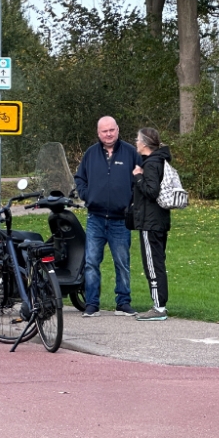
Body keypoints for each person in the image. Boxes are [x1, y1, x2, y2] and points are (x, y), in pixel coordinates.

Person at [74, 116, 141, 317]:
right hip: (95, 218)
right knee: (91, 262)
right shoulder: (91, 154)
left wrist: (131, 201)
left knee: (122, 262)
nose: (109, 134)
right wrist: (88, 196)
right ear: (98, 133)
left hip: (121, 220)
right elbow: (80, 178)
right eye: (104, 131)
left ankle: (123, 302)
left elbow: (140, 179)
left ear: (118, 130)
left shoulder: (131, 153)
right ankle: (92, 304)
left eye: (112, 130)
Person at [131, 128, 171, 321]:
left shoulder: (152, 164)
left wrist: (138, 176)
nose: (135, 142)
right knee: (158, 262)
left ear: (145, 143)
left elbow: (151, 191)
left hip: (151, 222)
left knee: (152, 265)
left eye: (137, 139)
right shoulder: (159, 161)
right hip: (159, 220)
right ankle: (160, 305)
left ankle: (158, 307)